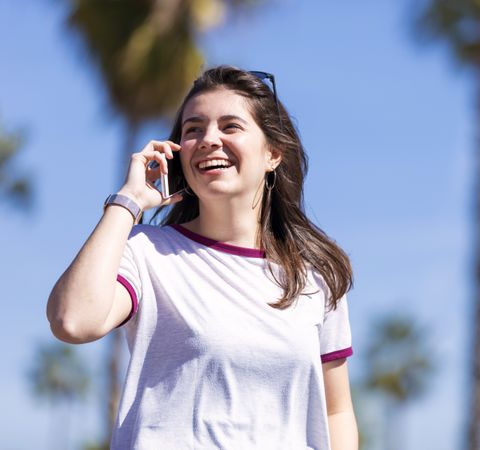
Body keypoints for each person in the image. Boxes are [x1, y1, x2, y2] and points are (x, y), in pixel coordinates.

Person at [46, 65, 358, 450]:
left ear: (273, 153)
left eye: (230, 126)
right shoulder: (147, 251)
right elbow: (73, 321)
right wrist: (128, 201)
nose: (209, 139)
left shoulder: (315, 275)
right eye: (193, 130)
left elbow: (336, 412)